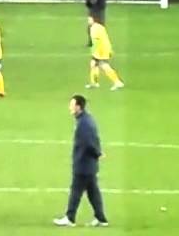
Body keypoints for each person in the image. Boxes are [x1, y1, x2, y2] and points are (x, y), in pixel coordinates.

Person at [52, 94, 109, 228]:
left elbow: (89, 142)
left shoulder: (84, 123)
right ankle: (101, 218)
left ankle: (70, 218)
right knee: (93, 192)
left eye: (72, 105)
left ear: (78, 106)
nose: (70, 108)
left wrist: (97, 153)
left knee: (76, 191)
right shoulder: (86, 120)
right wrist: (97, 153)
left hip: (84, 164)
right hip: (89, 164)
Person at [85, 15, 124, 91]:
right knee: (93, 64)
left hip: (101, 50)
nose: (88, 21)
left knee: (104, 66)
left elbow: (96, 41)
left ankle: (118, 82)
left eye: (89, 19)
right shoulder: (100, 27)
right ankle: (94, 83)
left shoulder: (94, 29)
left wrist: (94, 51)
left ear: (94, 20)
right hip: (105, 49)